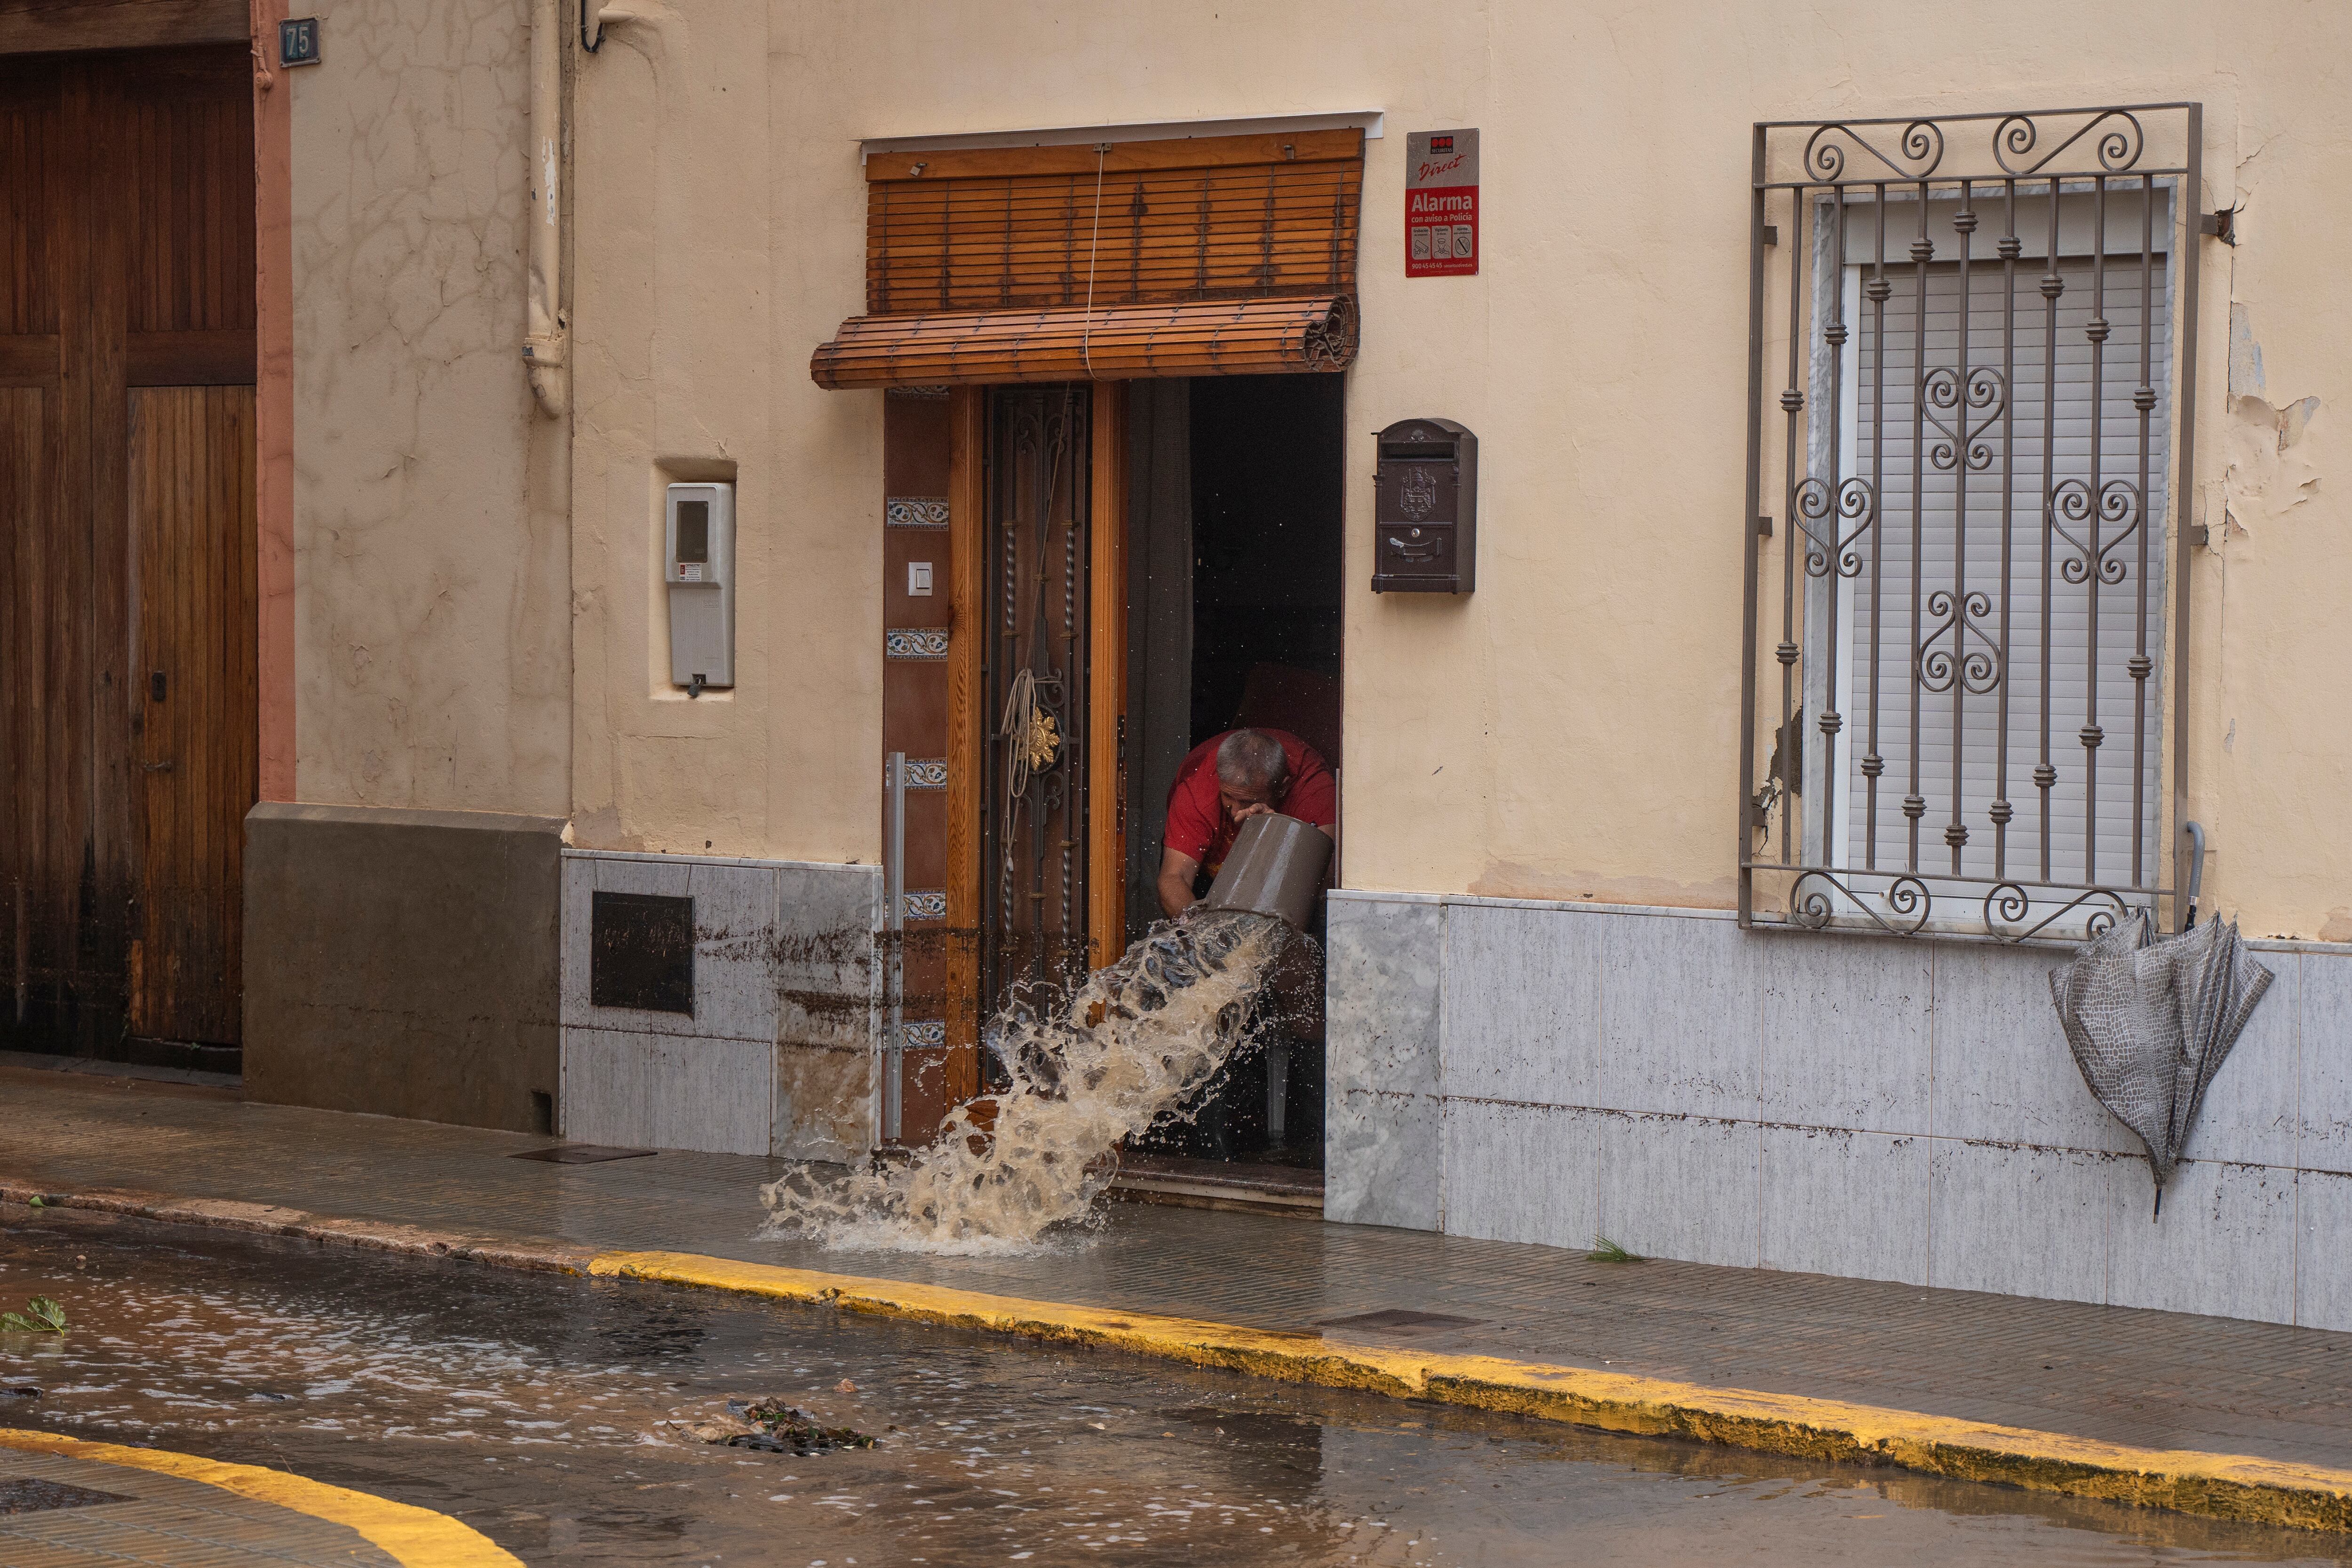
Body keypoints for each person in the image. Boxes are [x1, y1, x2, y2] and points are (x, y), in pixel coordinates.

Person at [1156, 727, 1336, 919]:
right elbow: (1175, 878)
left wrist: (1276, 830)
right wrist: (1205, 936)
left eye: (1248, 802)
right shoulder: (1198, 789)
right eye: (1228, 797)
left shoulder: (1313, 789)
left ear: (1283, 788)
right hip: (1208, 869)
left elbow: (1323, 882)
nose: (1236, 812)